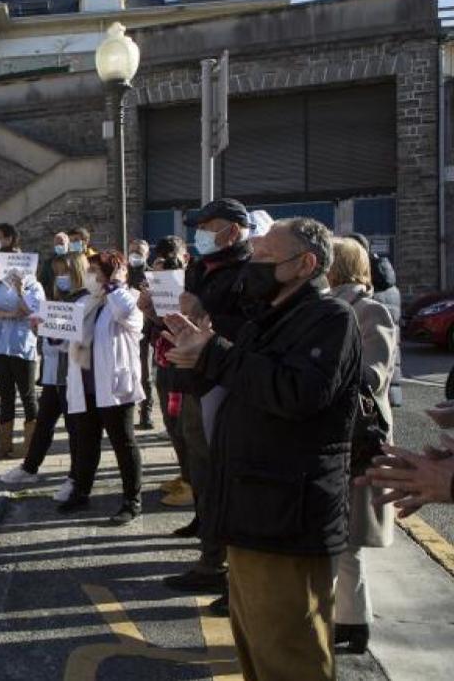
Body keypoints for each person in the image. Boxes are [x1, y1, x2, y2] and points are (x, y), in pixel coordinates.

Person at [165, 218, 361, 681]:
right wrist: (193, 352)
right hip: (254, 510)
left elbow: (296, 393)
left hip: (287, 516)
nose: (252, 267)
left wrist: (214, 353)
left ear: (305, 264)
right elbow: (230, 374)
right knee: (257, 647)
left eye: (267, 258)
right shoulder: (269, 317)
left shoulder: (329, 319)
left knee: (290, 653)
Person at [163, 198, 255, 600]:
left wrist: (205, 316)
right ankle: (209, 543)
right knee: (198, 466)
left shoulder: (251, 272)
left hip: (226, 385)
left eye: (207, 226)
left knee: (224, 473)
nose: (199, 234)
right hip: (192, 380)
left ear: (232, 230)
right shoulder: (200, 268)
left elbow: (254, 328)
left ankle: (224, 566)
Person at [327, 237, 398, 654]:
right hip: (337, 437)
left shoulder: (371, 311)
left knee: (348, 538)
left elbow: (373, 375)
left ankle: (353, 623)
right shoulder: (330, 308)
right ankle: (350, 620)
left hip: (358, 439)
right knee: (341, 537)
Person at [58, 251, 145, 525]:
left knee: (123, 443)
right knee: (86, 442)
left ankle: (132, 501)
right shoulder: (86, 301)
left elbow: (127, 314)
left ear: (111, 273)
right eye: (90, 271)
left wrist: (115, 285)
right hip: (85, 384)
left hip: (114, 386)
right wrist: (51, 333)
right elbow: (69, 340)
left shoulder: (127, 298)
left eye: (97, 271)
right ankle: (81, 492)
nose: (91, 276)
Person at [0, 253, 86, 486]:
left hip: (72, 375)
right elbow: (52, 338)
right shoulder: (61, 300)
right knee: (44, 422)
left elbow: (70, 339)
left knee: (74, 427)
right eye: (57, 273)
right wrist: (43, 329)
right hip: (53, 373)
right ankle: (30, 467)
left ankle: (77, 475)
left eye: (65, 273)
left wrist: (49, 331)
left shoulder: (83, 301)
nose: (60, 278)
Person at [0, 224, 45, 461]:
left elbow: (31, 311)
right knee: (5, 395)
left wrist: (20, 291)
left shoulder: (33, 285)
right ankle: (5, 444)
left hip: (20, 346)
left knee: (27, 395)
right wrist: (6, 314)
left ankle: (29, 446)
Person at [140, 237, 195, 511]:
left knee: (186, 425)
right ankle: (186, 474)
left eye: (172, 257)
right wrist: (150, 306)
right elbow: (163, 322)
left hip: (183, 364)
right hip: (164, 358)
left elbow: (186, 322)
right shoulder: (161, 279)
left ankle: (193, 482)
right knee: (173, 424)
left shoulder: (193, 283)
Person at [347, 233, 403, 409]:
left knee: (376, 418)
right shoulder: (391, 287)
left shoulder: (367, 290)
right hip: (391, 357)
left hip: (375, 368)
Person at [127, 239, 154, 430]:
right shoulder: (123, 274)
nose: (135, 255)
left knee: (145, 375)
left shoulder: (152, 275)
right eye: (132, 251)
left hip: (145, 332)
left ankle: (146, 414)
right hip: (125, 332)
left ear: (147, 255)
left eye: (139, 252)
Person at [38, 231, 70, 296]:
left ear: (68, 244)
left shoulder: (74, 261)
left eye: (61, 244)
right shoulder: (48, 263)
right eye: (56, 244)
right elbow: (42, 281)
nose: (59, 246)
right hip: (54, 297)